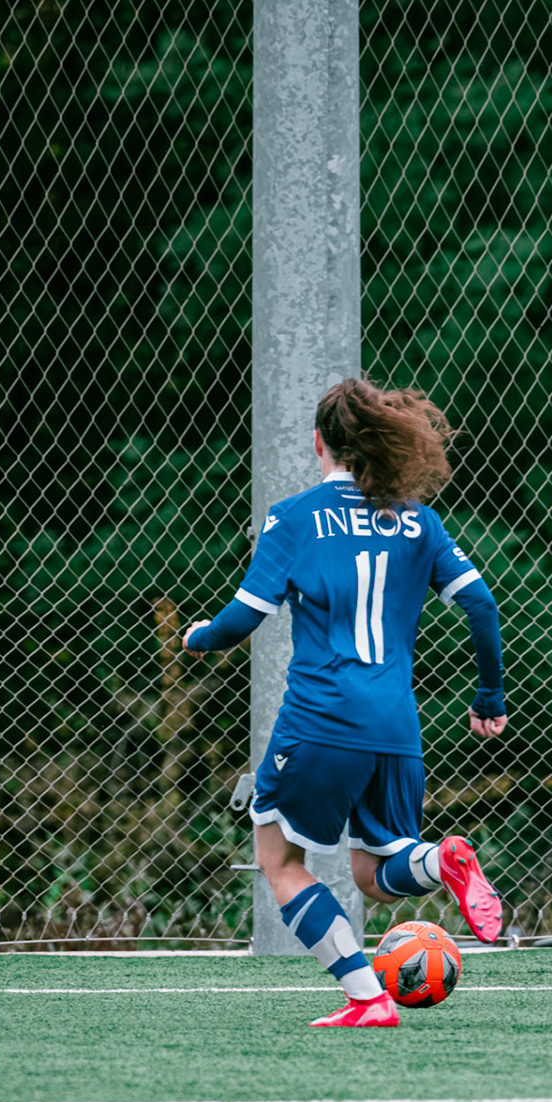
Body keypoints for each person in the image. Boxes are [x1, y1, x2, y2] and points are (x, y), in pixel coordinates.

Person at [186, 378, 508, 1027]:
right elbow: (480, 604)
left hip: (322, 716)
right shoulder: (419, 518)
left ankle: (367, 998)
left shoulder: (295, 516)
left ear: (319, 443)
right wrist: (488, 692)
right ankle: (441, 861)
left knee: (280, 860)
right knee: (372, 869)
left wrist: (196, 637)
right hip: (395, 721)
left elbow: (241, 619)